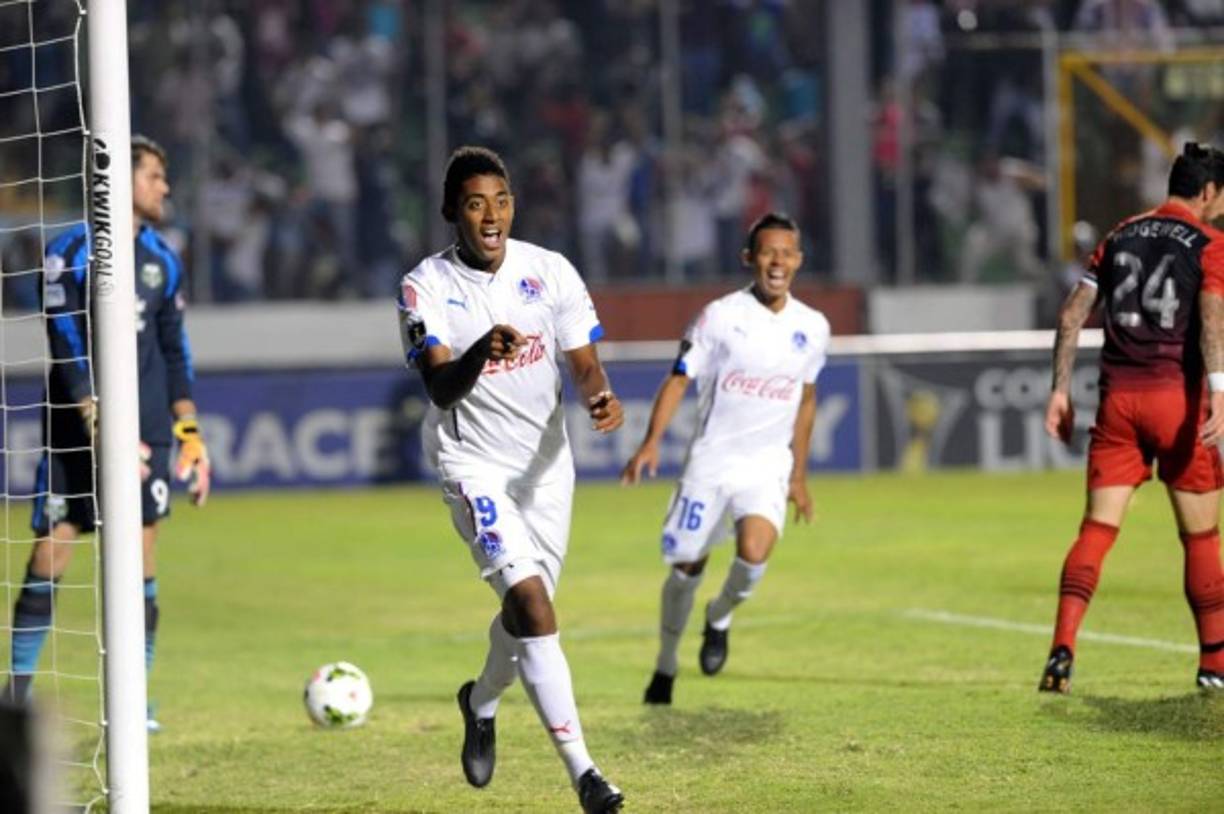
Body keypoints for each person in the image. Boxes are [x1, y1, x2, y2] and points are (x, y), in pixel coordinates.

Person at [397, 146, 625, 813]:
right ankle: (586, 774)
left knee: (525, 616)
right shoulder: (424, 287)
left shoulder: (549, 271)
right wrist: (480, 350)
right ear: (451, 213)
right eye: (475, 203)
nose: (491, 215)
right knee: (532, 606)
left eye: (500, 200)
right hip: (474, 467)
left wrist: (600, 395)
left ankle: (481, 700)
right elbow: (440, 388)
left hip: (548, 471)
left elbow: (582, 359)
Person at [4, 135, 211, 731]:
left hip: (147, 431)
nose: (164, 187)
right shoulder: (68, 250)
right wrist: (93, 410)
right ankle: (14, 696)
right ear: (121, 182)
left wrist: (189, 430)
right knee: (52, 550)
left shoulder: (163, 258)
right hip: (76, 427)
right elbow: (63, 335)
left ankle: (133, 703)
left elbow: (176, 350)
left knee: (141, 556)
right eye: (154, 176)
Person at [621, 212, 829, 705]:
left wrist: (798, 475)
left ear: (798, 261)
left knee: (755, 553)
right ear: (749, 259)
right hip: (711, 464)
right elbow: (679, 378)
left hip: (766, 466)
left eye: (786, 253)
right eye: (767, 252)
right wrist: (651, 441)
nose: (777, 261)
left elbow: (807, 400)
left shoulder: (813, 327)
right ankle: (666, 665)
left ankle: (720, 616)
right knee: (684, 568)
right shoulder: (718, 316)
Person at [1039, 141, 1224, 694]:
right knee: (1201, 538)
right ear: (1208, 191)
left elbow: (1072, 314)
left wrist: (1058, 392)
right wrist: (1219, 390)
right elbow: (1212, 319)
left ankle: (1060, 651)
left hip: (1118, 402)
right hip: (1179, 402)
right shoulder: (1211, 244)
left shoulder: (1120, 233)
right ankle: (1215, 663)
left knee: (1097, 531)